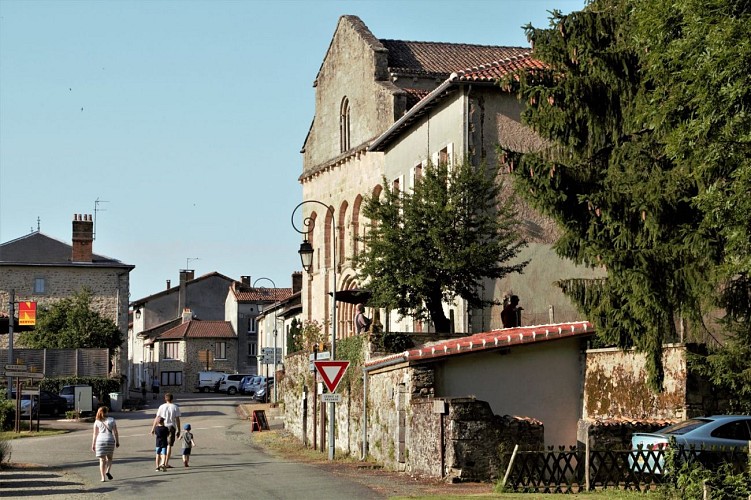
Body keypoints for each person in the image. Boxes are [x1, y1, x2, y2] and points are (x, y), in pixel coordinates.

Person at [150, 392, 181, 469]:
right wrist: (179, 430)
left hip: (162, 427)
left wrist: (153, 429)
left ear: (165, 399)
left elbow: (157, 418)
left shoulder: (161, 406)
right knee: (169, 445)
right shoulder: (175, 407)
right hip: (171, 427)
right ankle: (165, 463)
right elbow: (177, 419)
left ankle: (161, 462)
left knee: (161, 444)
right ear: (172, 399)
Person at [91, 406, 120, 482]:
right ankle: (108, 471)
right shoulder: (111, 420)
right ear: (106, 412)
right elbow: (115, 432)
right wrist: (117, 441)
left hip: (100, 441)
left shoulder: (97, 422)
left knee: (102, 460)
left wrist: (93, 444)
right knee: (109, 458)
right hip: (110, 440)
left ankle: (103, 477)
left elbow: (95, 434)